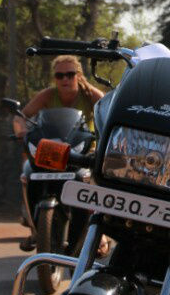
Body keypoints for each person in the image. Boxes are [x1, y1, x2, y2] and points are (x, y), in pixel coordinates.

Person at [14, 54, 105, 251]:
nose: (64, 79)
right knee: (27, 169)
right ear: (55, 78)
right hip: (51, 153)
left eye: (70, 74)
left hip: (83, 153)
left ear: (78, 76)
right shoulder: (47, 95)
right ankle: (31, 221)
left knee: (99, 176)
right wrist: (20, 129)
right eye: (60, 75)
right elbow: (22, 116)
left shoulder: (92, 96)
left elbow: (110, 112)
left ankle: (102, 230)